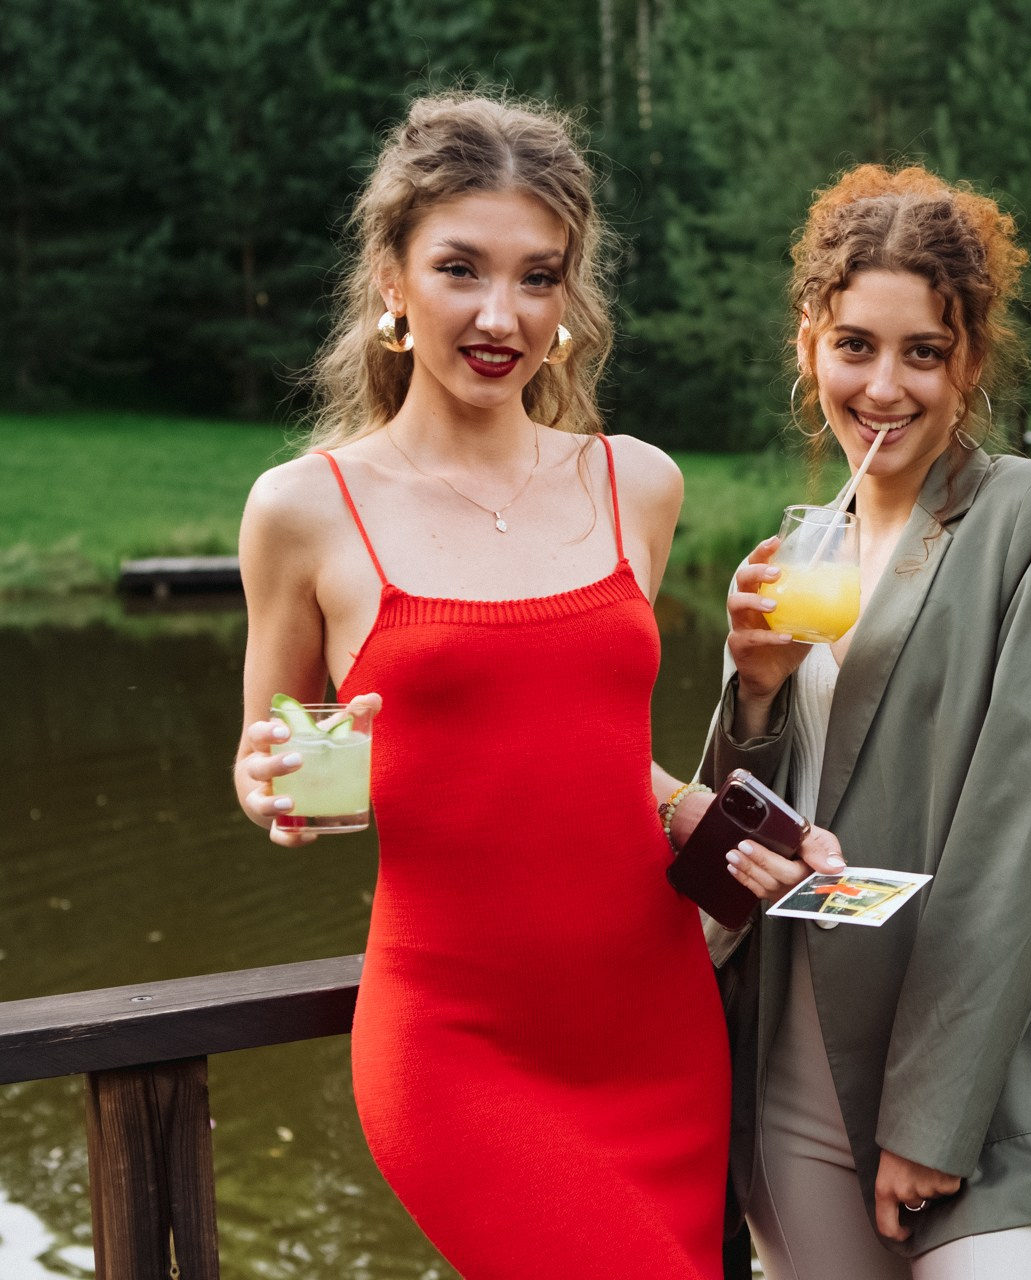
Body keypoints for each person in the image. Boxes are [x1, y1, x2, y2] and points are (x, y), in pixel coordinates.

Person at [230, 94, 785, 1280]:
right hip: (455, 1046)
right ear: (392, 279)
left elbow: (579, 743)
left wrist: (694, 804)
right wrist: (278, 781)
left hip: (656, 1023)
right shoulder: (305, 508)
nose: (501, 315)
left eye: (538, 276)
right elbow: (270, 750)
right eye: (461, 269)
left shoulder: (636, 483)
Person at [702, 164, 1031, 1280]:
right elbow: (737, 830)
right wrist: (754, 689)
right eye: (854, 345)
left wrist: (932, 1119)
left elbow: (1022, 835)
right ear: (810, 344)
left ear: (970, 361)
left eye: (924, 352)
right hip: (796, 1056)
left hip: (988, 1075)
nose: (884, 386)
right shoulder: (801, 546)